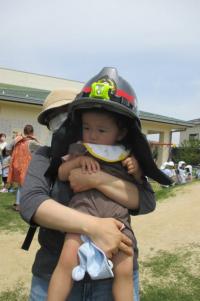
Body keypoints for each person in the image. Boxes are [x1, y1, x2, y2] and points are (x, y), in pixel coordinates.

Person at [20, 70, 171, 301]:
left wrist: (97, 179)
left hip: (111, 273)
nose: (62, 124)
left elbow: (147, 201)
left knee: (125, 266)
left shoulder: (122, 155)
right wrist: (95, 227)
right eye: (54, 119)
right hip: (52, 270)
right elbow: (31, 203)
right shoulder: (47, 156)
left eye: (66, 115)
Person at [48, 107, 140, 301]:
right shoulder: (79, 149)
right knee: (66, 263)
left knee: (125, 268)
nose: (92, 135)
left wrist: (136, 169)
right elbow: (61, 173)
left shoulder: (126, 155)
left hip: (118, 222)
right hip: (82, 217)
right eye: (87, 128)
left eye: (101, 130)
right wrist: (77, 161)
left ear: (121, 133)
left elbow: (139, 183)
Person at [7, 125, 40, 211]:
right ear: (32, 132)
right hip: (26, 166)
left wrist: (12, 154)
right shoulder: (32, 142)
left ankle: (18, 203)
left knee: (20, 186)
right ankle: (22, 204)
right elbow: (42, 150)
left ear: (24, 132)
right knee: (26, 186)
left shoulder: (18, 139)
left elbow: (8, 148)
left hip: (17, 165)